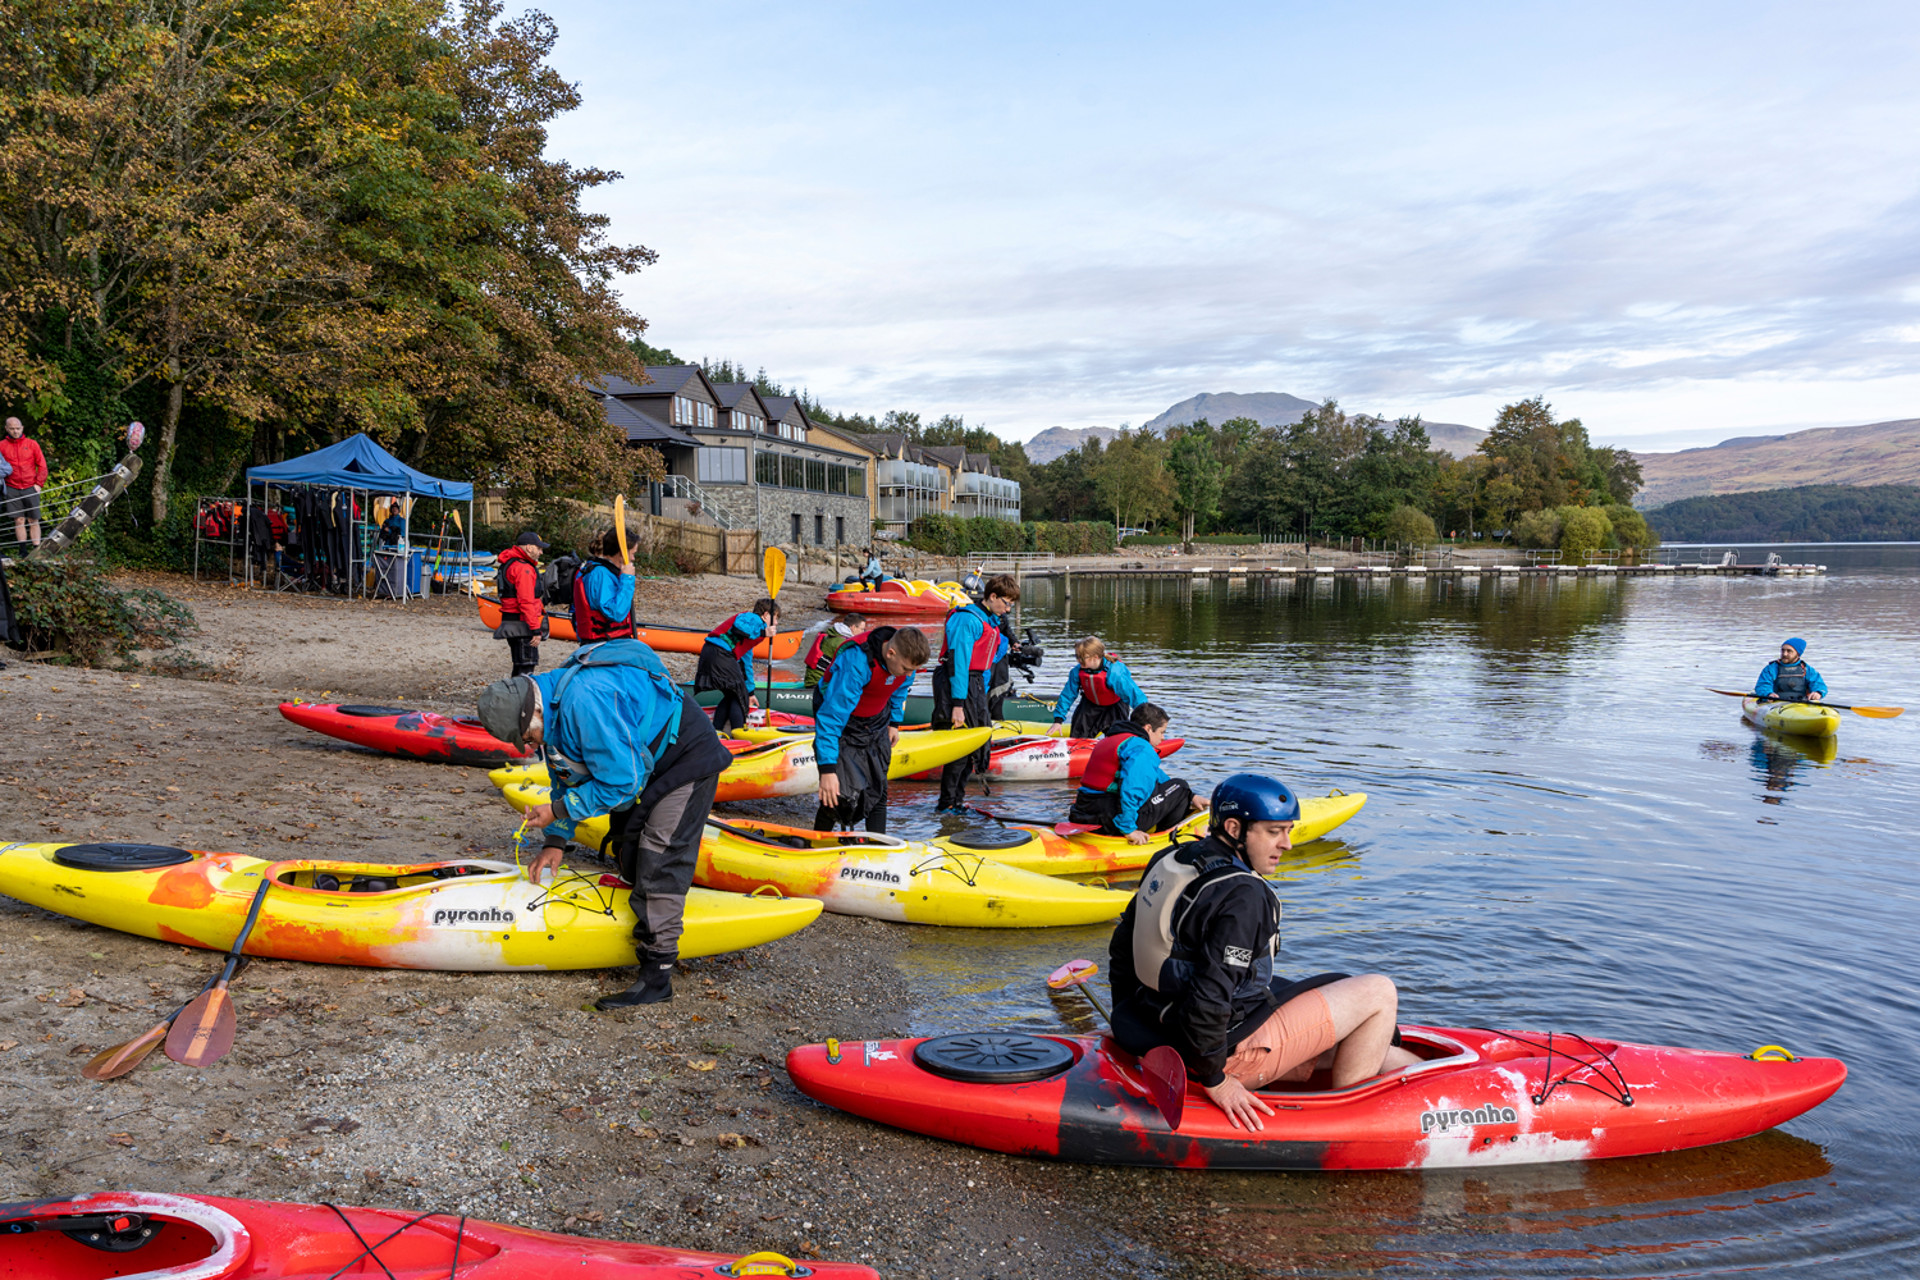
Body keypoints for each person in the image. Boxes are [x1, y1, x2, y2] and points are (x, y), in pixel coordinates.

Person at [1109, 774, 1421, 1130]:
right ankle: (1344, 1121)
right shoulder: (1243, 895)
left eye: (1288, 830)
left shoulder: (1173, 858)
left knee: (1366, 1034)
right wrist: (1217, 1080)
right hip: (1218, 1054)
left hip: (1152, 1026)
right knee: (1379, 992)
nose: (1287, 844)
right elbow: (1210, 995)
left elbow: (1122, 948)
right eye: (1274, 831)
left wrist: (1124, 1023)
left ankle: (1433, 1078)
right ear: (1234, 827)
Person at [477, 638, 734, 1008]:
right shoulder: (550, 702)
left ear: (532, 713)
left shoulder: (585, 700)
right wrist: (555, 841)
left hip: (686, 756)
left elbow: (623, 783)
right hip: (641, 758)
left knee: (658, 855)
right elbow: (566, 774)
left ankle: (657, 975)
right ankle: (642, 917)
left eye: (528, 738)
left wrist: (560, 811)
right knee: (627, 847)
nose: (531, 747)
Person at [812, 626, 933, 833]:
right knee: (839, 794)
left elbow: (900, 688)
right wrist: (827, 770)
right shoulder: (856, 663)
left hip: (877, 717)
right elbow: (831, 718)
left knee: (878, 788)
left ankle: (877, 844)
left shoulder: (906, 662)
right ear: (890, 653)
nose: (910, 674)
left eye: (913, 669)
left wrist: (894, 722)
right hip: (844, 720)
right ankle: (813, 843)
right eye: (906, 668)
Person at [933, 573, 1019, 811]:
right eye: (1006, 603)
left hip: (975, 684)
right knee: (960, 748)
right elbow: (958, 664)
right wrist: (958, 705)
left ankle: (958, 802)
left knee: (976, 745)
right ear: (992, 596)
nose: (1008, 609)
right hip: (957, 684)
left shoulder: (989, 622)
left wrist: (983, 696)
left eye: (1011, 604)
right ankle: (946, 805)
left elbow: (986, 665)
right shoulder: (967, 620)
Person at [1068, 703, 1207, 843]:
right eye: (1162, 732)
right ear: (1148, 728)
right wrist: (1128, 829)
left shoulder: (1110, 740)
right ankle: (1166, 839)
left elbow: (1157, 776)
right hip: (1109, 821)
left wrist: (1192, 796)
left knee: (1178, 789)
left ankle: (1183, 801)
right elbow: (1132, 789)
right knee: (1181, 787)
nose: (1163, 738)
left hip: (1083, 812)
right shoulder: (1142, 747)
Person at [697, 598, 780, 735]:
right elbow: (739, 627)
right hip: (719, 653)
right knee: (739, 695)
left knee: (732, 694)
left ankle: (716, 732)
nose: (776, 623)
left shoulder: (751, 637)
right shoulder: (752, 618)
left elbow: (746, 664)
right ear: (766, 615)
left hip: (711, 653)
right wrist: (763, 633)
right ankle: (739, 735)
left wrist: (751, 692)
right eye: (775, 618)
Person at [1051, 636, 1147, 739]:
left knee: (1118, 739)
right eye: (1077, 656)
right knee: (1078, 737)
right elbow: (1067, 695)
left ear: (1095, 657)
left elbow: (1134, 695)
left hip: (1115, 707)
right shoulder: (1077, 672)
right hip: (1090, 705)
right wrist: (1058, 720)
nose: (1079, 660)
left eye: (1082, 658)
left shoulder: (1114, 672)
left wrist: (1145, 720)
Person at [492, 531, 549, 676]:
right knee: (526, 668)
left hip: (512, 622)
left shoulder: (511, 563)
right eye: (539, 548)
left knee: (519, 666)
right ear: (529, 547)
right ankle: (520, 698)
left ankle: (513, 696)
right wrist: (535, 629)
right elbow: (526, 601)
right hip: (522, 624)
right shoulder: (523, 568)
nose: (541, 552)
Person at [571, 523, 636, 642]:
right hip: (604, 643)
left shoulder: (604, 571)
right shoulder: (600, 575)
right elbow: (616, 613)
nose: (633, 559)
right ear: (622, 553)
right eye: (632, 554)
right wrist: (628, 579)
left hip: (611, 641)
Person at [1, 417, 47, 549]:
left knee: (33, 519)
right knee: (19, 519)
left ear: (22, 428)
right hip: (12, 487)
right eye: (12, 429)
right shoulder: (1, 446)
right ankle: (22, 550)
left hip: (30, 486)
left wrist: (39, 483)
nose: (15, 431)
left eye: (17, 428)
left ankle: (36, 548)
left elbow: (42, 465)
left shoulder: (32, 444)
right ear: (6, 429)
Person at [1755, 637, 1827, 702]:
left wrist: (1818, 692)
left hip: (1801, 703)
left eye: (1789, 651)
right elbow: (1763, 685)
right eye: (1783, 650)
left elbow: (1818, 684)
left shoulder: (1807, 669)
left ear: (1798, 654)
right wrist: (1768, 694)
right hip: (1775, 703)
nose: (1784, 654)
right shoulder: (1771, 669)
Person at [803, 615, 865, 690]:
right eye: (862, 629)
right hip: (818, 684)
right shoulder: (842, 643)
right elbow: (851, 669)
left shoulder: (833, 634)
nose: (863, 632)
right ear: (853, 627)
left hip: (813, 680)